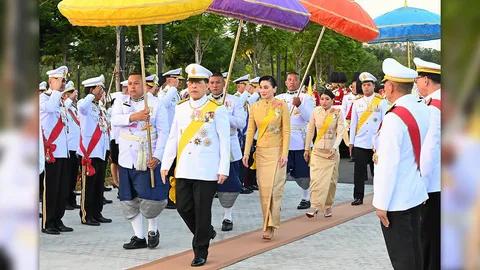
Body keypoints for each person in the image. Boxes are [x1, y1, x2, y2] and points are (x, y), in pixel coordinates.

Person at [161, 64, 230, 267]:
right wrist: (166, 164)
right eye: (191, 82)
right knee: (183, 207)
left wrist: (223, 168)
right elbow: (173, 137)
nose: (193, 86)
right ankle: (206, 232)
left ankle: (200, 250)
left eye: (198, 83)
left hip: (207, 169)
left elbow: (224, 141)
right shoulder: (181, 107)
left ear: (206, 86)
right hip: (184, 167)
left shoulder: (217, 109)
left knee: (202, 210)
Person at [373, 58, 430, 270]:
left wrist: (381, 204)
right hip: (415, 190)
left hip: (397, 198)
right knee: (415, 251)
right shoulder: (422, 108)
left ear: (389, 86)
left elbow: (388, 165)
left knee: (403, 258)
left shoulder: (395, 118)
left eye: (385, 84)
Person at [111, 72, 170, 249]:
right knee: (129, 198)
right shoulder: (120, 101)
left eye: (136, 83)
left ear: (145, 85)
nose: (132, 87)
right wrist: (133, 117)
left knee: (149, 197)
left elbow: (163, 132)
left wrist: (158, 156)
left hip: (146, 154)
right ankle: (138, 236)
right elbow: (113, 120)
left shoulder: (155, 103)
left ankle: (153, 230)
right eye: (129, 84)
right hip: (126, 158)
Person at [242, 75, 290, 240]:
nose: (263, 90)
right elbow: (249, 131)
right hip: (261, 152)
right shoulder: (254, 107)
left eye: (266, 87)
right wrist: (247, 153)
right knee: (264, 190)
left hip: (277, 152)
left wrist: (285, 154)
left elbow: (286, 132)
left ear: (274, 89)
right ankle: (266, 222)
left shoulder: (282, 106)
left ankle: (272, 224)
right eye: (261, 87)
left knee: (275, 189)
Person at [208, 72, 246, 231]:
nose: (215, 85)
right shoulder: (204, 101)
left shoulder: (234, 101)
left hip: (229, 144)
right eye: (212, 83)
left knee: (229, 184)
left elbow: (241, 123)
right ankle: (206, 219)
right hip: (209, 147)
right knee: (206, 185)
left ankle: (227, 216)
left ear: (224, 84)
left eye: (218, 82)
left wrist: (223, 115)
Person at [414, 57, 441, 270]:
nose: (416, 83)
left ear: (425, 80)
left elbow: (429, 149)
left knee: (430, 240)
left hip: (434, 184)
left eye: (417, 79)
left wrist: (421, 185)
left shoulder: (433, 107)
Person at [40, 66, 74, 234]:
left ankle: (58, 219)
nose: (62, 84)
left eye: (64, 81)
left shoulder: (59, 100)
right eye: (59, 80)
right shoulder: (44, 99)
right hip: (50, 152)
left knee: (62, 188)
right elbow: (51, 109)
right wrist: (55, 91)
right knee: (51, 189)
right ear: (50, 81)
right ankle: (48, 222)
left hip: (63, 150)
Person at [276, 72, 315, 210]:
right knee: (280, 173)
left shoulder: (307, 98)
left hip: (300, 139)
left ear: (299, 83)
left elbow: (311, 118)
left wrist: (300, 106)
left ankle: (306, 197)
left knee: (303, 172)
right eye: (289, 80)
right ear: (286, 82)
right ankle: (277, 201)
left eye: (295, 80)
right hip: (283, 141)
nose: (292, 82)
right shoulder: (279, 98)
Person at [77, 75, 112, 225]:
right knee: (89, 185)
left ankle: (97, 212)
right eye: (100, 89)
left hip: (101, 150)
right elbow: (82, 107)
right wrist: (92, 95)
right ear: (92, 89)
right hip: (89, 151)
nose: (102, 91)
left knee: (98, 185)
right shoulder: (84, 104)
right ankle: (87, 214)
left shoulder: (100, 107)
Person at [349, 72, 388, 205]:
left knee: (377, 171)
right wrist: (351, 142)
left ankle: (380, 195)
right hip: (360, 142)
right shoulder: (357, 103)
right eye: (364, 85)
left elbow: (385, 122)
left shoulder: (381, 102)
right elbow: (353, 124)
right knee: (359, 172)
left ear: (373, 86)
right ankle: (358, 196)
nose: (366, 87)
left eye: (368, 85)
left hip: (376, 143)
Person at [304, 90, 344, 218]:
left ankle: (327, 206)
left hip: (331, 152)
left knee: (331, 182)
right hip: (318, 150)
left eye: (327, 99)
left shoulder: (337, 113)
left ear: (332, 100)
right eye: (322, 99)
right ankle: (314, 206)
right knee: (315, 179)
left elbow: (340, 132)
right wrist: (306, 148)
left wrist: (335, 146)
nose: (324, 102)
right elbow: (310, 130)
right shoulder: (316, 112)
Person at [63, 81, 81, 210]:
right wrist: (69, 99)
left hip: (76, 147)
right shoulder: (64, 107)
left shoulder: (74, 109)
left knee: (74, 175)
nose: (73, 96)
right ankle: (65, 200)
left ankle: (71, 198)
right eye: (69, 94)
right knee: (66, 176)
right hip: (68, 147)